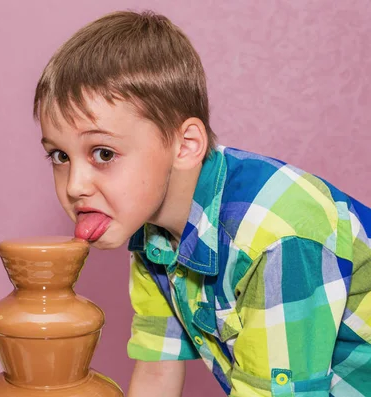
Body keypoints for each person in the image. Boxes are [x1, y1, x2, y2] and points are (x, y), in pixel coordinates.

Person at [31, 9, 371, 397]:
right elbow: (157, 374)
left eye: (103, 153)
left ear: (185, 145)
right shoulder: (153, 240)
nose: (74, 186)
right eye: (60, 156)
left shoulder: (274, 239)